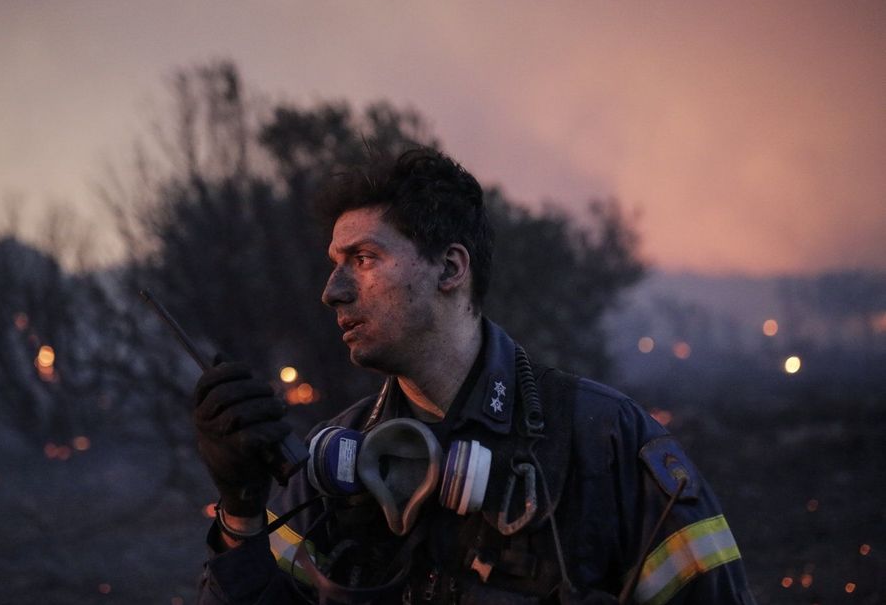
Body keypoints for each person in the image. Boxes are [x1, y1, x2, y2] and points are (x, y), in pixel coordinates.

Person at [192, 148, 755, 604]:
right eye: (334, 264)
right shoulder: (333, 464)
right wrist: (239, 511)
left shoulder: (604, 443)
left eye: (363, 259)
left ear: (450, 267)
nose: (332, 291)